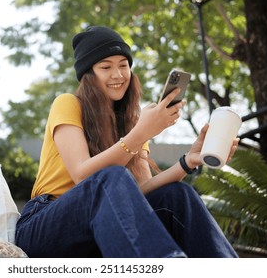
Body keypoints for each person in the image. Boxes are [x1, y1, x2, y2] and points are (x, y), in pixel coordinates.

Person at [15, 26, 239, 258]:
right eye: (105, 67)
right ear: (88, 74)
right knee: (111, 177)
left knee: (178, 195)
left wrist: (188, 161)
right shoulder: (68, 103)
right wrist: (141, 133)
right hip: (45, 225)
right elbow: (82, 176)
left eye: (123, 65)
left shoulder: (132, 124)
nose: (118, 74)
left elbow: (142, 189)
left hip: (101, 226)